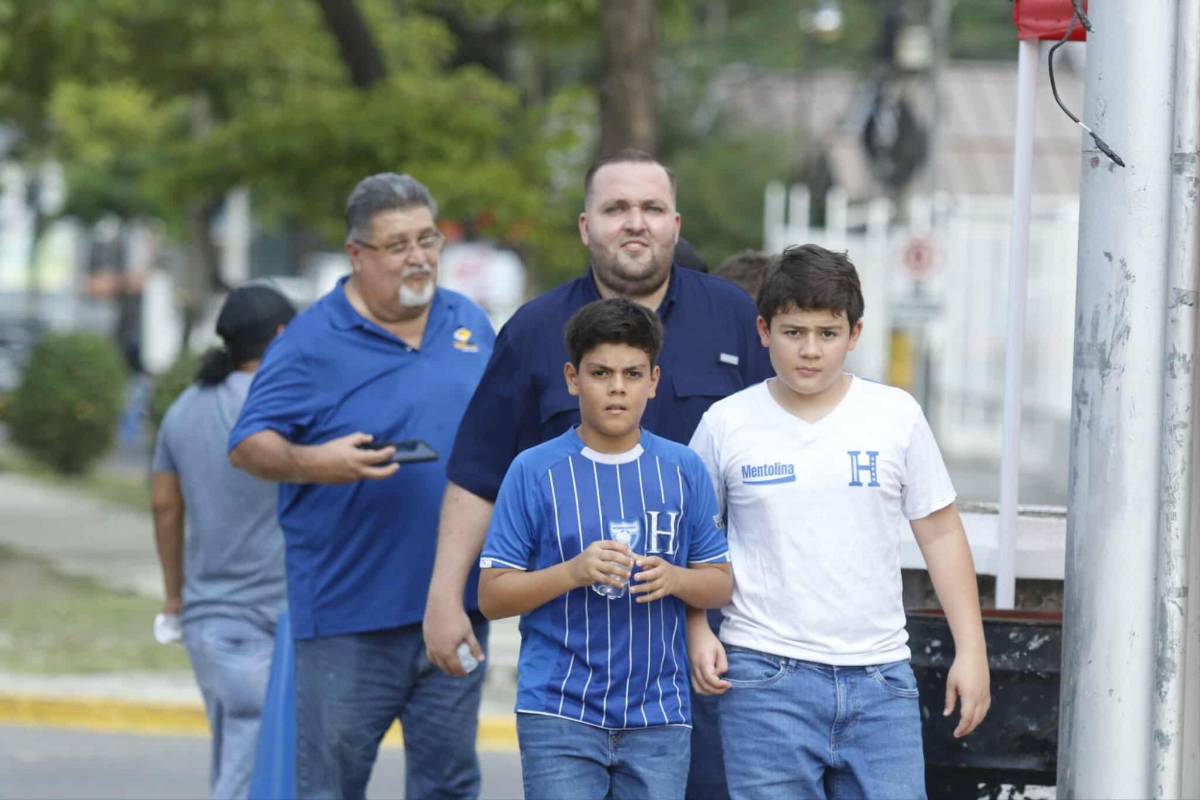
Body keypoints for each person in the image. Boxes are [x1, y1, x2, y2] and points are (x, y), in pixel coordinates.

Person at [423, 149, 772, 799]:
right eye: (616, 209)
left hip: (723, 641)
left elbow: (786, 459)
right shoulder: (533, 331)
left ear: (675, 224)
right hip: (575, 657)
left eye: (652, 208)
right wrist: (446, 597)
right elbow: (477, 475)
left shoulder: (735, 320)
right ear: (586, 227)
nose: (635, 222)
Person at [686, 244, 991, 799]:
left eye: (827, 333)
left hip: (881, 679)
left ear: (854, 335)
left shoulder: (895, 416)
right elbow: (692, 541)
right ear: (763, 331)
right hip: (762, 678)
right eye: (793, 332)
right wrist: (696, 629)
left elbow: (942, 534)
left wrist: (972, 652)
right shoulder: (725, 424)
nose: (810, 350)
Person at [227, 173, 495, 800]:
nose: (419, 257)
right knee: (330, 786)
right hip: (348, 619)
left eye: (427, 239)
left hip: (453, 607)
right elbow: (246, 445)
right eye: (398, 245)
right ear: (356, 254)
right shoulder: (310, 342)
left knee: (449, 785)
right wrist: (315, 462)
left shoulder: (467, 321)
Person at [478, 298, 733, 800]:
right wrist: (572, 572)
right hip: (558, 710)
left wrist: (676, 579)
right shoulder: (533, 470)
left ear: (653, 381)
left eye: (632, 374)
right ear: (572, 378)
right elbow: (492, 596)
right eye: (601, 373)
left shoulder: (683, 469)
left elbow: (720, 583)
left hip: (659, 714)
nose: (617, 388)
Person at [151, 283, 296, 800]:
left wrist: (175, 596)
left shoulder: (183, 409)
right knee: (251, 776)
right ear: (283, 335)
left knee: (236, 758)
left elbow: (165, 507)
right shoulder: (287, 408)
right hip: (273, 623)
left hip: (209, 624)